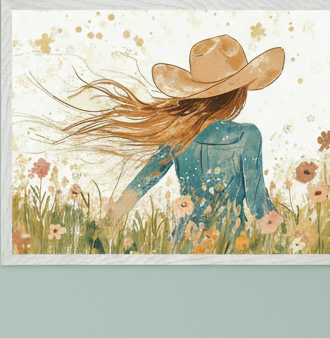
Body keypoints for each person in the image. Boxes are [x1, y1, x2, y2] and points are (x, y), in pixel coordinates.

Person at [62, 34, 285, 231]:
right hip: (232, 242)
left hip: (185, 238)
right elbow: (258, 205)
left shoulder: (179, 134)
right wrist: (284, 230)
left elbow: (144, 181)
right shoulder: (247, 135)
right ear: (237, 93)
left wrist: (110, 221)